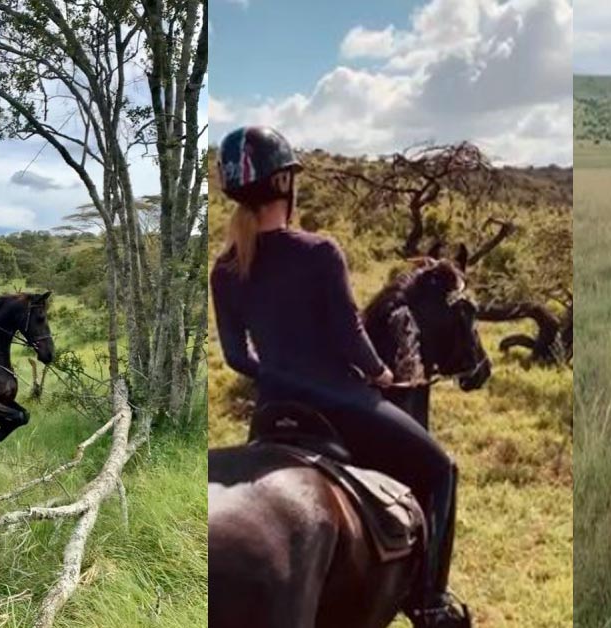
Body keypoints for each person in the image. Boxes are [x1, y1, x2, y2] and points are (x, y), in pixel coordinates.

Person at [210, 126, 468, 625]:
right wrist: (380, 372)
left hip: (271, 412)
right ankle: (432, 603)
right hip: (345, 404)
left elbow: (236, 358)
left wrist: (279, 375)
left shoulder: (225, 268)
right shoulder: (320, 251)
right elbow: (350, 334)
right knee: (441, 470)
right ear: (286, 182)